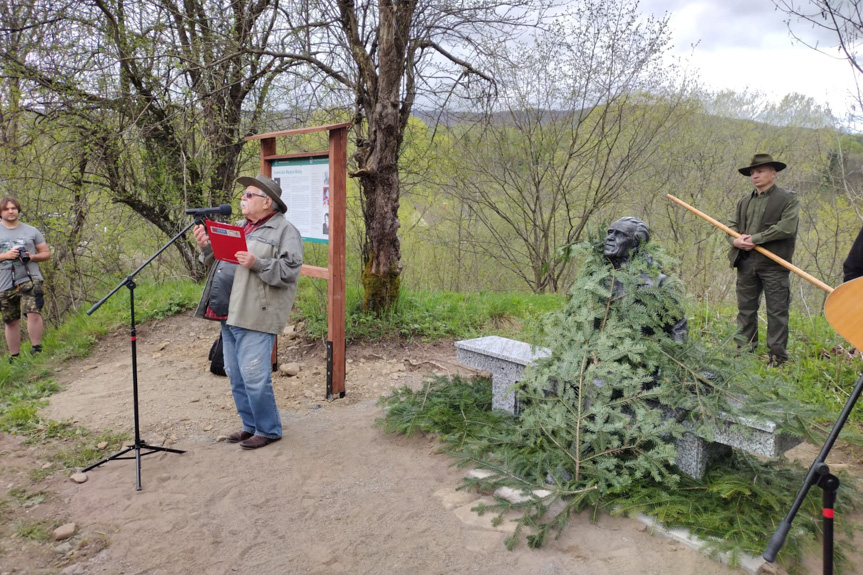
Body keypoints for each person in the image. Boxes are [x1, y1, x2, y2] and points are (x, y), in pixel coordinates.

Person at [194, 174, 303, 450]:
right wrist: (206, 247)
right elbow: (218, 260)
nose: (242, 198)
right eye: (243, 194)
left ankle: (269, 429)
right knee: (235, 372)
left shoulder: (285, 231)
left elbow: (290, 271)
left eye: (249, 195)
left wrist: (258, 263)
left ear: (268, 202)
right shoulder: (241, 226)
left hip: (257, 313)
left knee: (255, 375)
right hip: (230, 311)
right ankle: (250, 425)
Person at [728, 154, 799, 367]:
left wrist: (755, 239)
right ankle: (744, 354)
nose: (755, 176)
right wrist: (735, 241)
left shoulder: (788, 199)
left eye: (760, 171)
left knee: (777, 311)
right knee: (746, 309)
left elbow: (786, 228)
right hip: (746, 262)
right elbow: (731, 226)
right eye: (752, 173)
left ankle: (777, 358)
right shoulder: (744, 201)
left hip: (774, 264)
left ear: (773, 173)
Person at [603, 217, 688, 342]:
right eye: (610, 232)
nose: (609, 238)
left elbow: (678, 325)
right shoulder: (597, 278)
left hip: (644, 353)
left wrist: (677, 353)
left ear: (636, 244)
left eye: (620, 234)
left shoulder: (657, 282)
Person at [0, 197, 50, 361]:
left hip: (30, 276)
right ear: (1, 212)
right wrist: (6, 256)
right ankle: (15, 357)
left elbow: (46, 253)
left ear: (18, 210)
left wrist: (32, 256)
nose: (11, 211)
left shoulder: (31, 230)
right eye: (7, 209)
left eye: (14, 208)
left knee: (33, 311)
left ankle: (37, 349)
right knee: (10, 320)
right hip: (5, 280)